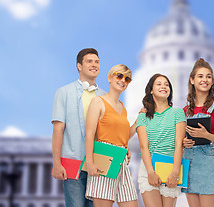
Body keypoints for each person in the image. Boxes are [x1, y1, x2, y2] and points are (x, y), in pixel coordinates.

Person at [51, 48, 106, 207]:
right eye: (89, 61)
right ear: (79, 66)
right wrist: (56, 162)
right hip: (73, 162)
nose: (94, 65)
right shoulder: (64, 92)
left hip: (98, 165)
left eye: (97, 62)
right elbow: (58, 130)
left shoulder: (104, 96)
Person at [84, 64, 138, 206]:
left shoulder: (122, 107)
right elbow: (89, 134)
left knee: (131, 203)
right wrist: (90, 162)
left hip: (121, 160)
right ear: (110, 77)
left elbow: (123, 135)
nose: (123, 80)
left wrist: (138, 122)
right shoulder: (98, 102)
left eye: (127, 79)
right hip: (104, 158)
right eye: (119, 76)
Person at [182, 58, 214, 207]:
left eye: (209, 76)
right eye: (200, 76)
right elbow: (181, 138)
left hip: (208, 165)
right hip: (189, 164)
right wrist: (184, 142)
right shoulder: (185, 111)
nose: (205, 80)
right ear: (192, 80)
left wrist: (206, 135)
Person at [136, 73, 186, 207]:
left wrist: (175, 173)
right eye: (159, 84)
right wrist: (151, 173)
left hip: (171, 168)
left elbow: (178, 144)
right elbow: (143, 147)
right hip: (148, 168)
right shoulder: (143, 116)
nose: (164, 86)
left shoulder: (178, 113)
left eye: (166, 84)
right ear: (151, 90)